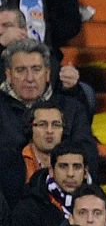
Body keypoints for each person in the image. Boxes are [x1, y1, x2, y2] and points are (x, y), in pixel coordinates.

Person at [0, 39, 98, 200]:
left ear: (47, 73)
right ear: (8, 75)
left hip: (64, 198)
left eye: (36, 69)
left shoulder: (71, 108)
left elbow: (88, 157)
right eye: (21, 70)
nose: (29, 78)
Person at [11, 142, 90, 226]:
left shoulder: (96, 204)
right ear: (51, 170)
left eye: (77, 167)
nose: (70, 174)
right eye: (63, 166)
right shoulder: (28, 208)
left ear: (85, 172)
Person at [21, 101, 65, 182]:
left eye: (56, 125)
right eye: (42, 124)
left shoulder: (72, 162)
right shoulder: (15, 162)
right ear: (30, 129)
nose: (49, 131)